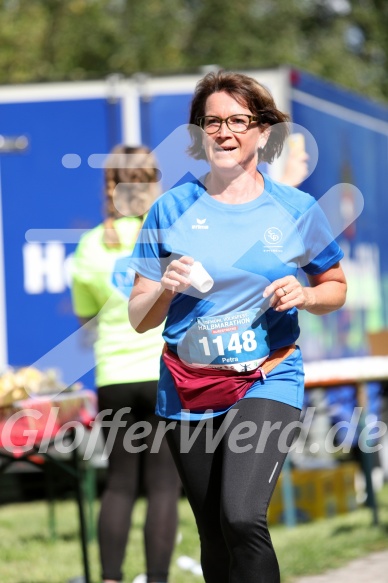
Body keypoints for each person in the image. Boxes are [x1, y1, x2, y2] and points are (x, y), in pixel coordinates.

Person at [128, 71, 347, 583]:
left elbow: (334, 284)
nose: (223, 132)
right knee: (214, 534)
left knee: (242, 517)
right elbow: (138, 317)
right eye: (212, 122)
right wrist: (165, 288)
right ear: (200, 134)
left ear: (262, 132)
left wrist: (308, 294)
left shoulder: (294, 208)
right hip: (189, 387)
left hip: (268, 377)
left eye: (237, 120)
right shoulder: (171, 208)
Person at [71, 145, 181, 583]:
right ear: (152, 182)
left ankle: (111, 578)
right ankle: (156, 579)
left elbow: (86, 319)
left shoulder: (90, 245)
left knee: (118, 484)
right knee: (163, 486)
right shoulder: (167, 236)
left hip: (114, 375)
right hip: (161, 371)